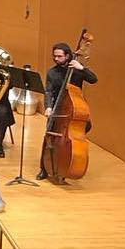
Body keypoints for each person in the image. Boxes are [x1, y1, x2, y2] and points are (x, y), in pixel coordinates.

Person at [38, 41, 99, 179]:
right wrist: (48, 107)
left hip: (72, 111)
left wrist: (82, 68)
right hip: (57, 110)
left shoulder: (77, 69)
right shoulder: (52, 72)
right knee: (49, 137)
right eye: (55, 56)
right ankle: (43, 168)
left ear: (67, 56)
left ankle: (66, 162)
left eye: (59, 56)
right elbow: (48, 91)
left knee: (82, 129)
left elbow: (93, 79)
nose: (56, 59)